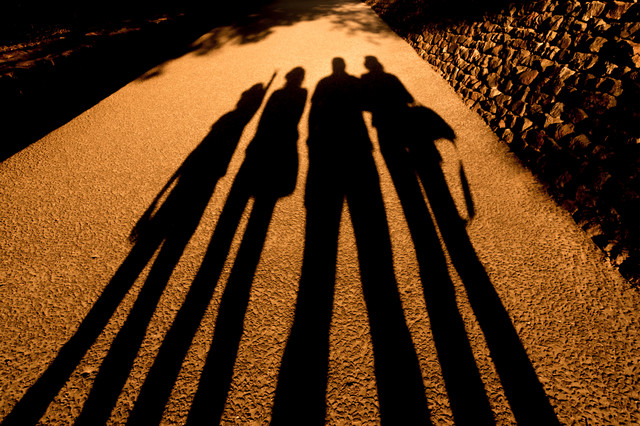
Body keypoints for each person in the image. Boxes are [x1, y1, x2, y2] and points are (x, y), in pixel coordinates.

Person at [271, 58, 430, 425]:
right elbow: (370, 106)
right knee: (370, 228)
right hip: (358, 152)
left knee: (320, 240)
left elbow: (312, 118)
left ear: (332, 68)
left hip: (326, 155)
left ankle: (315, 314)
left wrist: (312, 144)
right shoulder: (355, 83)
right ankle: (381, 295)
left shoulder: (322, 86)